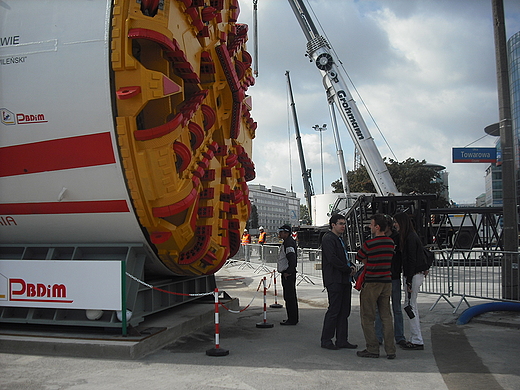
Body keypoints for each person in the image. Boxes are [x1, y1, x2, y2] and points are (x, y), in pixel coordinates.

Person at [355, 214, 396, 359]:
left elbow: (359, 256)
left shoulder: (370, 244)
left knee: (368, 317)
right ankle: (390, 350)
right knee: (386, 316)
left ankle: (372, 348)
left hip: (372, 283)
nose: (370, 227)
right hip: (386, 282)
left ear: (377, 227)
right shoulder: (390, 243)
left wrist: (369, 260)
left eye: (371, 225)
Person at [320, 214, 358, 350]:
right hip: (335, 279)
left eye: (344, 224)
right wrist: (347, 269)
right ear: (333, 225)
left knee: (344, 311)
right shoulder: (328, 239)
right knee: (334, 310)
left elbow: (344, 257)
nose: (343, 226)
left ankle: (342, 339)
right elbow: (333, 258)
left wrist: (351, 266)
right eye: (340, 223)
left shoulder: (339, 239)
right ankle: (326, 339)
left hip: (344, 280)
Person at [393, 212, 429, 350]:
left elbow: (411, 260)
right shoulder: (412, 236)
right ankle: (415, 338)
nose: (395, 224)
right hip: (414, 275)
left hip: (413, 276)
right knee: (410, 305)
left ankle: (417, 339)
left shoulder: (409, 238)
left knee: (410, 306)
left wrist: (408, 281)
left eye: (396, 222)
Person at [375, 215, 407, 346]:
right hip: (383, 277)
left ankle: (399, 336)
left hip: (392, 277)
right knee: (380, 309)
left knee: (396, 308)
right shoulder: (380, 238)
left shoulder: (397, 239)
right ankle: (379, 337)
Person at [277, 224, 299, 325]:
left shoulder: (289, 243)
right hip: (287, 273)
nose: (279, 234)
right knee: (289, 297)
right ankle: (292, 318)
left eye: (281, 232)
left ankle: (292, 319)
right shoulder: (287, 242)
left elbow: (292, 259)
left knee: (290, 297)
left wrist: (288, 272)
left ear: (286, 233)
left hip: (288, 275)